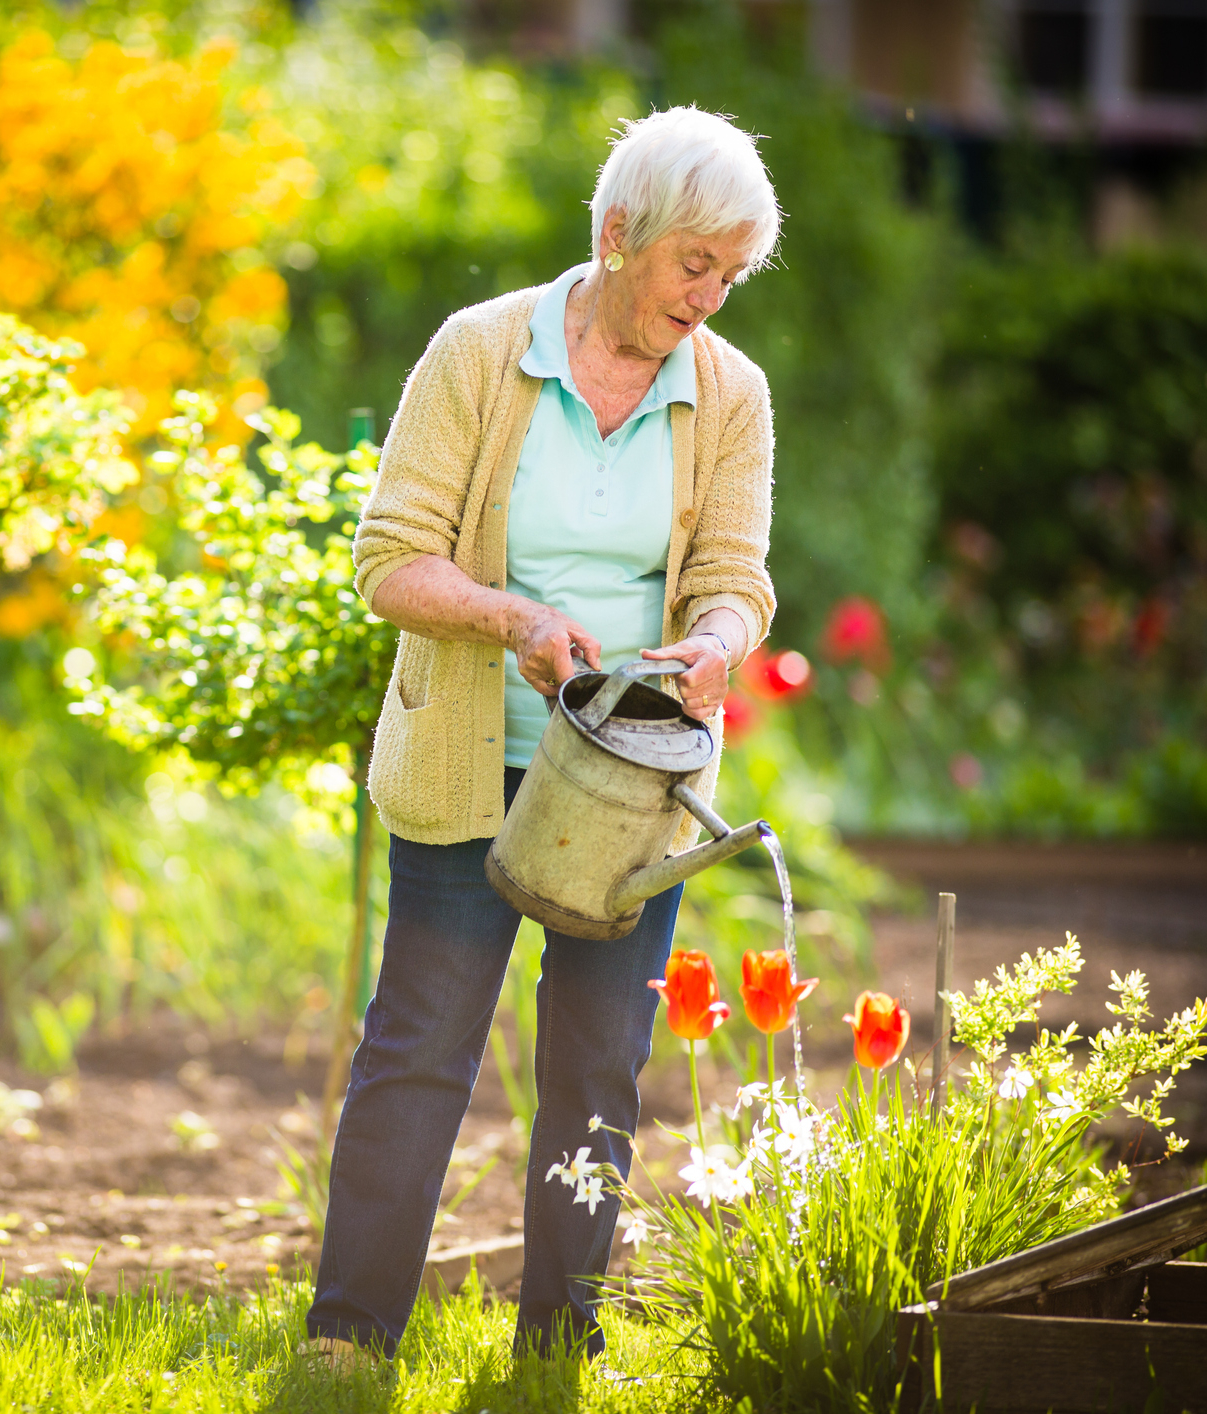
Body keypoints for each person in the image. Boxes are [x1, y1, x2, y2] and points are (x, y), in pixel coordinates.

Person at [305, 105, 781, 1363]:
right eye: (695, 266)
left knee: (598, 1067)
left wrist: (718, 644)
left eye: (730, 276)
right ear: (620, 232)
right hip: (476, 767)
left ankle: (556, 1350)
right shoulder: (479, 352)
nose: (711, 300)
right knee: (419, 1050)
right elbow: (390, 562)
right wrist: (509, 616)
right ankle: (349, 1336)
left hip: (632, 787)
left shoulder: (730, 393)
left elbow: (736, 576)